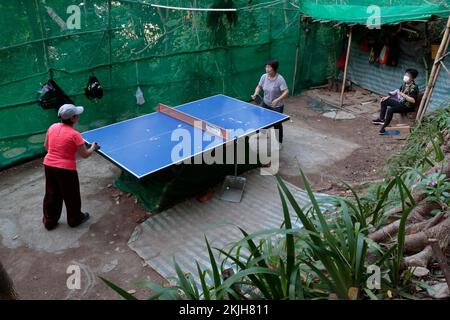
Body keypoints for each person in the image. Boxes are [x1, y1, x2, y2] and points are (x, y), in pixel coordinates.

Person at [42, 104, 100, 230]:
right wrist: (93, 147)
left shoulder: (52, 127)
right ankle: (75, 219)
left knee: (52, 193)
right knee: (71, 195)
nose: (79, 116)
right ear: (73, 118)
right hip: (66, 170)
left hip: (49, 165)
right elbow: (85, 155)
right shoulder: (75, 135)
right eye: (77, 114)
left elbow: (46, 146)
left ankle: (49, 221)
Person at [252, 59, 289, 144]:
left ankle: (279, 142)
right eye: (266, 67)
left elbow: (286, 91)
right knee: (263, 121)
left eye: (269, 67)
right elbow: (259, 86)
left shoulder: (280, 79)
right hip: (266, 103)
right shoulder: (264, 76)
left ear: (274, 68)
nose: (266, 69)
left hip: (277, 106)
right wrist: (256, 93)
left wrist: (277, 99)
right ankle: (262, 136)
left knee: (277, 124)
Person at [372, 68, 419, 134]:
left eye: (408, 75)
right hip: (401, 102)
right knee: (384, 101)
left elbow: (413, 101)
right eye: (405, 74)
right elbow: (397, 92)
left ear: (412, 78)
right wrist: (387, 97)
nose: (405, 76)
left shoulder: (414, 87)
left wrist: (403, 95)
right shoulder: (404, 84)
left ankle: (385, 127)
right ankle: (382, 119)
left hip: (407, 106)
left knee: (390, 110)